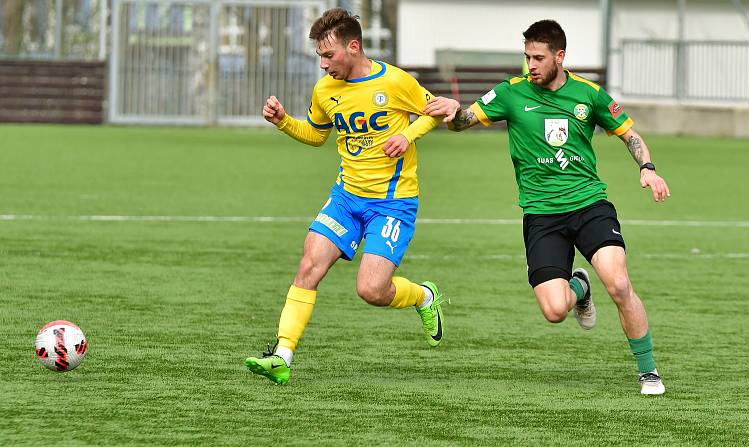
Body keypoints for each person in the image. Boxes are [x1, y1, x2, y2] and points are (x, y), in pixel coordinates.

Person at [424, 19, 670, 395]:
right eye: (526, 57)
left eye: (538, 57)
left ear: (560, 56)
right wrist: (453, 111)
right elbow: (462, 122)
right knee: (555, 311)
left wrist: (648, 169)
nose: (531, 65)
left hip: (590, 205)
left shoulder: (589, 95)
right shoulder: (511, 92)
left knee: (619, 284)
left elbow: (630, 135)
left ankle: (649, 371)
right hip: (542, 215)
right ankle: (579, 287)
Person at [245, 8, 446, 385]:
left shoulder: (396, 82)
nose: (323, 65)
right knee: (309, 264)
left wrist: (408, 135)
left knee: (371, 290)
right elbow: (317, 135)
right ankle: (282, 355)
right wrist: (284, 122)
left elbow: (432, 111)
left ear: (353, 47)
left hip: (393, 202)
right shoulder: (325, 90)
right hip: (346, 198)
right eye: (319, 56)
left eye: (328, 55)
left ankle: (423, 297)